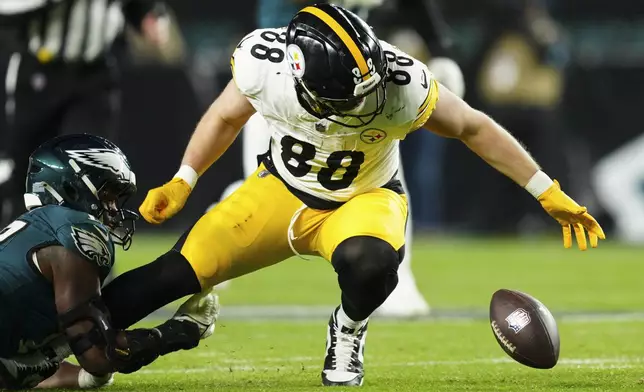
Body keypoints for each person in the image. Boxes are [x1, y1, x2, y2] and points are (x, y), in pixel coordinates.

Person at [108, 4, 603, 387]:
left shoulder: (399, 82)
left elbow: (473, 127)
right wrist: (184, 179)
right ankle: (52, 343)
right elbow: (224, 116)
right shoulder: (267, 66)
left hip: (363, 199)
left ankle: (347, 330)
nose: (364, 104)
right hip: (278, 192)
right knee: (157, 282)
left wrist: (545, 188)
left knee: (371, 264)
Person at [216, 0, 465, 318]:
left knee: (386, 179)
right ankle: (226, 212)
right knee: (271, 188)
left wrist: (440, 49)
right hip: (285, 84)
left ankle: (399, 282)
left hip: (351, 91)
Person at [0, 134, 217, 390]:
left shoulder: (36, 229)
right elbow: (98, 355)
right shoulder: (72, 228)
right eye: (109, 195)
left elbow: (17, 370)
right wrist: (180, 331)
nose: (113, 209)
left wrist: (83, 376)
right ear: (72, 188)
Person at [0, 0, 170, 226]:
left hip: (95, 74)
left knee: (91, 170)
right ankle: (16, 247)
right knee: (25, 171)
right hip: (40, 69)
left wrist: (146, 16)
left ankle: (84, 250)